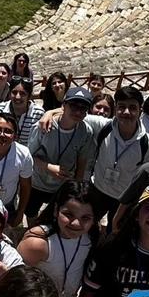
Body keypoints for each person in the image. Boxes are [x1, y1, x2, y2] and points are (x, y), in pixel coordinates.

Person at [18, 182, 97, 297]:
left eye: (85, 218)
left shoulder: (90, 239)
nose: (76, 223)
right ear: (56, 210)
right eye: (68, 214)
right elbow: (14, 284)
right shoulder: (38, 244)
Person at [26, 84, 98, 223]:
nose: (78, 112)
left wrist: (76, 187)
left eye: (83, 108)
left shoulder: (86, 131)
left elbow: (82, 161)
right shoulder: (43, 126)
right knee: (31, 212)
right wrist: (49, 167)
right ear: (64, 105)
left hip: (63, 185)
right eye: (74, 106)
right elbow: (28, 157)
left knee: (57, 215)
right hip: (38, 182)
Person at [86, 86, 149, 221]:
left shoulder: (148, 144)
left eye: (132, 107)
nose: (126, 112)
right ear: (115, 109)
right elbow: (73, 113)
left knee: (114, 232)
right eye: (121, 107)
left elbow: (146, 178)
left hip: (123, 198)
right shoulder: (104, 127)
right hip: (97, 189)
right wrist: (50, 114)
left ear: (140, 111)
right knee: (88, 226)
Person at [2, 77, 44, 146]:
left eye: (22, 94)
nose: (17, 97)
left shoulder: (38, 114)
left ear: (29, 96)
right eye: (14, 92)